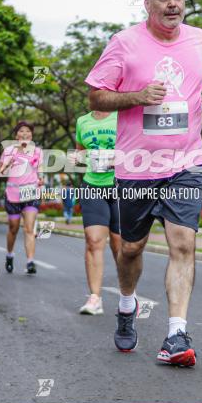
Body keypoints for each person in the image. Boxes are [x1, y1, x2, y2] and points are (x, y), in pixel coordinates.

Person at [85, 0, 202, 366]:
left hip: (185, 163)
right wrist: (137, 96)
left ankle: (175, 334)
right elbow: (95, 94)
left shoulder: (200, 39)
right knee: (131, 249)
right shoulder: (124, 43)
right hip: (136, 167)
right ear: (147, 3)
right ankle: (127, 305)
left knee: (183, 244)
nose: (173, 4)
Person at [71, 110, 121, 315]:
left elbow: (137, 146)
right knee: (93, 241)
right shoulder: (82, 121)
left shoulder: (123, 116)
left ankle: (128, 294)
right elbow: (81, 151)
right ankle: (95, 298)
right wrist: (77, 158)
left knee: (121, 244)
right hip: (92, 185)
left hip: (121, 186)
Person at [0, 121, 43, 275]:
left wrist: (41, 179)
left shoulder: (37, 151)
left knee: (29, 228)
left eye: (28, 131)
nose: (25, 134)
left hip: (31, 193)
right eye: (21, 132)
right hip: (13, 195)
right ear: (16, 135)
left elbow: (40, 170)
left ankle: (30, 262)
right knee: (13, 228)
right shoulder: (9, 150)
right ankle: (9, 255)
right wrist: (8, 164)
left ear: (31, 134)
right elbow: (1, 172)